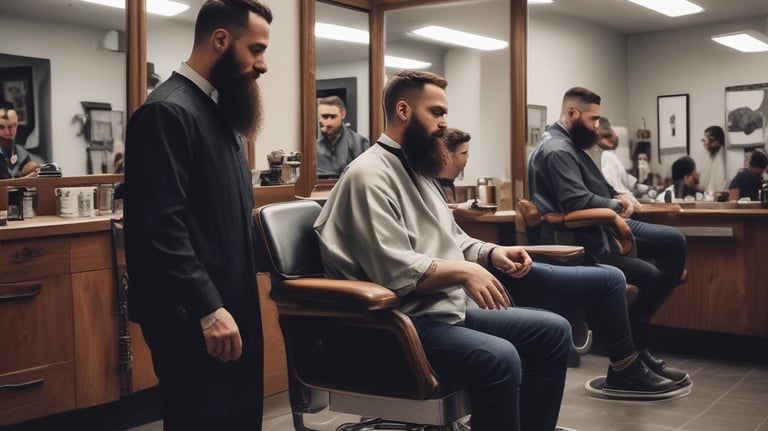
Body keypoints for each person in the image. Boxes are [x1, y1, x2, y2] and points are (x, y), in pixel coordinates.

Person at [437, 126, 683, 393]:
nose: (467, 159)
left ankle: (633, 358)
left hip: (490, 265)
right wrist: (613, 211)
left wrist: (491, 251)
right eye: (464, 153)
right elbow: (574, 200)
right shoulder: (557, 149)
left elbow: (457, 240)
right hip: (464, 286)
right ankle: (627, 365)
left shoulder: (435, 189)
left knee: (636, 269)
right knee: (621, 276)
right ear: (445, 155)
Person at [123, 1, 272, 430]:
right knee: (202, 419)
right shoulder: (167, 111)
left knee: (239, 417)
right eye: (256, 49)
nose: (262, 65)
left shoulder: (218, 113)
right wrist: (208, 308)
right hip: (192, 315)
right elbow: (160, 227)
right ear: (221, 41)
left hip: (231, 305)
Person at [528, 87, 690, 386]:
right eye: (593, 119)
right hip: (581, 242)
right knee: (662, 260)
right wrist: (617, 207)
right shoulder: (558, 150)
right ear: (572, 113)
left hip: (599, 229)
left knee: (670, 248)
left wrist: (619, 196)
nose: (597, 127)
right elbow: (575, 201)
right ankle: (632, 354)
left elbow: (597, 187)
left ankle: (637, 350)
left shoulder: (569, 145)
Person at [316, 95, 369, 179]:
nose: (328, 122)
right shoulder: (314, 146)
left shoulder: (359, 143)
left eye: (333, 117)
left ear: (343, 114)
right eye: (324, 117)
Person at [596, 117, 643, 209]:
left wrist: (640, 186)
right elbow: (612, 187)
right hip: (620, 207)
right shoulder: (607, 156)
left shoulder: (609, 156)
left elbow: (623, 177)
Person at [0, 102, 40, 179]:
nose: (7, 133)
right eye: (1, 127)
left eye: (11, 126)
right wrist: (21, 181)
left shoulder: (21, 153)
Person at [432, 127, 470, 203]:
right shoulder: (432, 186)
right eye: (464, 153)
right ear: (446, 155)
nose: (467, 157)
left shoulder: (447, 184)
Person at [699, 125, 727, 192]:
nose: (706, 143)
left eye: (711, 140)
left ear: (719, 141)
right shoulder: (705, 155)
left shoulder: (723, 157)